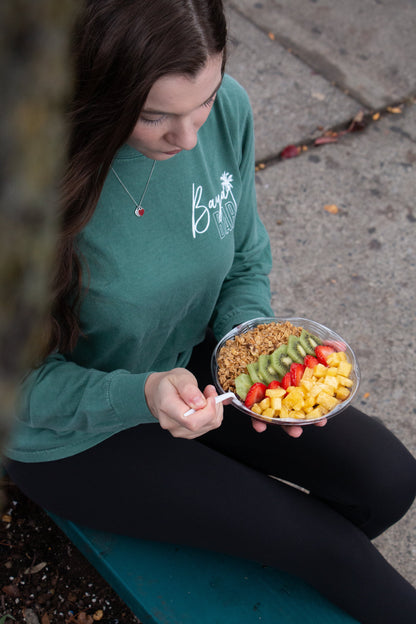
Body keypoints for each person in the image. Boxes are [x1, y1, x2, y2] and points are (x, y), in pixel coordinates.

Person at [4, 1, 416, 622]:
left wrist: (247, 350)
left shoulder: (228, 110)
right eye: (153, 117)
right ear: (91, 90)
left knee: (387, 478)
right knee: (332, 554)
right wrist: (142, 395)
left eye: (205, 98)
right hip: (72, 432)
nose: (190, 136)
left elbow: (245, 256)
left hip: (188, 360)